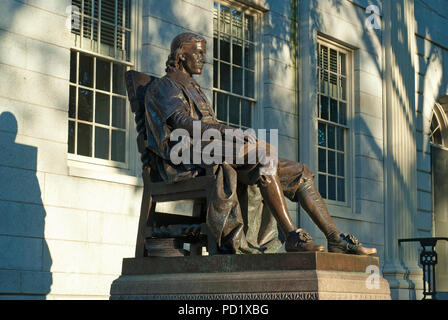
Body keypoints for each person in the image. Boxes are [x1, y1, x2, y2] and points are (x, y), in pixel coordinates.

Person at [144, 32, 376, 256]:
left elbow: (207, 127)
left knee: (299, 172)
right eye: (198, 53)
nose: (204, 59)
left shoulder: (193, 87)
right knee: (263, 155)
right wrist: (231, 132)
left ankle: (335, 238)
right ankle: (292, 236)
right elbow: (182, 123)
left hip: (208, 151)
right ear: (181, 55)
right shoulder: (166, 85)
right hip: (182, 156)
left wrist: (234, 135)